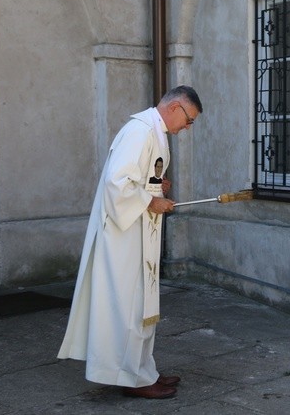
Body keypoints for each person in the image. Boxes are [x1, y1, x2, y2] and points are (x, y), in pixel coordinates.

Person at [58, 85, 203, 399]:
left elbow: (137, 177)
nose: (188, 128)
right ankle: (131, 379)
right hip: (123, 240)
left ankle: (142, 370)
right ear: (177, 107)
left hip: (137, 234)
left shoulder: (154, 130)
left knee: (142, 307)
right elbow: (116, 182)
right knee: (129, 307)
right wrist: (151, 202)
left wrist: (157, 185)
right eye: (189, 120)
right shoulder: (140, 131)